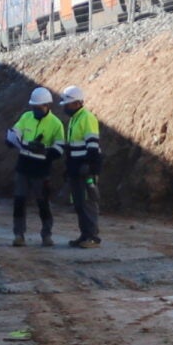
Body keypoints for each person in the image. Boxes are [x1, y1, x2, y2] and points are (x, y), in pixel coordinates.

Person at [4, 85, 65, 246]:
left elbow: (60, 149)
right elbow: (16, 132)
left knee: (43, 203)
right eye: (34, 107)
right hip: (23, 167)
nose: (35, 110)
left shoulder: (56, 124)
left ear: (47, 106)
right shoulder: (26, 117)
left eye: (38, 107)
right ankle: (19, 235)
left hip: (41, 170)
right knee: (19, 202)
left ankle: (46, 235)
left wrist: (45, 150)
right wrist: (11, 140)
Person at [59, 85, 103, 247]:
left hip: (85, 169)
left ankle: (92, 237)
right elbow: (72, 147)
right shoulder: (75, 119)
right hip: (76, 169)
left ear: (76, 103)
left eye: (67, 104)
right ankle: (84, 235)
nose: (65, 107)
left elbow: (92, 145)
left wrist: (89, 166)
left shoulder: (86, 118)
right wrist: (69, 168)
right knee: (79, 203)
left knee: (88, 203)